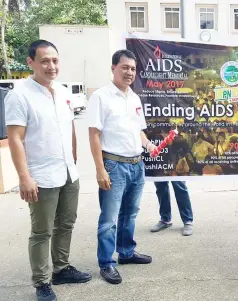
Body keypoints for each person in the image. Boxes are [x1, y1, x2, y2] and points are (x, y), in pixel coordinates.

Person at [5, 40, 91, 301]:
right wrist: (24, 177)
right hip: (40, 176)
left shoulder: (64, 92)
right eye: (44, 61)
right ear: (31, 63)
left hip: (67, 172)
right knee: (42, 231)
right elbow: (15, 139)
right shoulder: (19, 95)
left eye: (54, 60)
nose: (51, 66)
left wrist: (74, 158)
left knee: (66, 223)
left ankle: (61, 268)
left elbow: (70, 128)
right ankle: (42, 282)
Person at [88, 49, 157, 285]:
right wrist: (100, 169)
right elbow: (94, 135)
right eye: (125, 67)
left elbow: (138, 130)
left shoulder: (134, 97)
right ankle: (106, 263)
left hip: (137, 165)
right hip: (114, 166)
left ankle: (126, 252)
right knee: (109, 219)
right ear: (113, 68)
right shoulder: (100, 97)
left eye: (133, 69)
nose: (129, 72)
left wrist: (148, 145)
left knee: (130, 214)